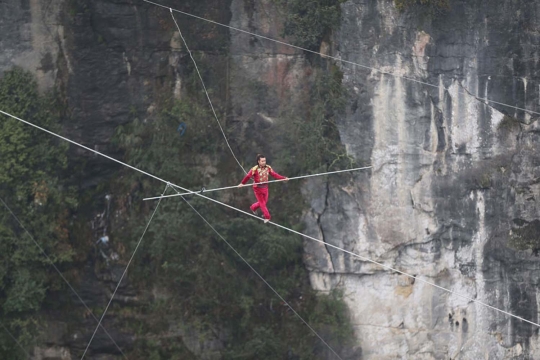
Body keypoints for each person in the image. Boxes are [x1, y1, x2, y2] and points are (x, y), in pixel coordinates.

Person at [238, 154, 288, 223]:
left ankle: (253, 207)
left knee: (264, 202)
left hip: (265, 187)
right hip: (257, 188)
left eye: (265, 161)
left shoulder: (268, 168)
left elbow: (274, 174)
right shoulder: (254, 169)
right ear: (258, 161)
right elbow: (248, 177)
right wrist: (242, 183)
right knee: (262, 203)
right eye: (262, 161)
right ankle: (267, 217)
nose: (264, 162)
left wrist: (283, 178)